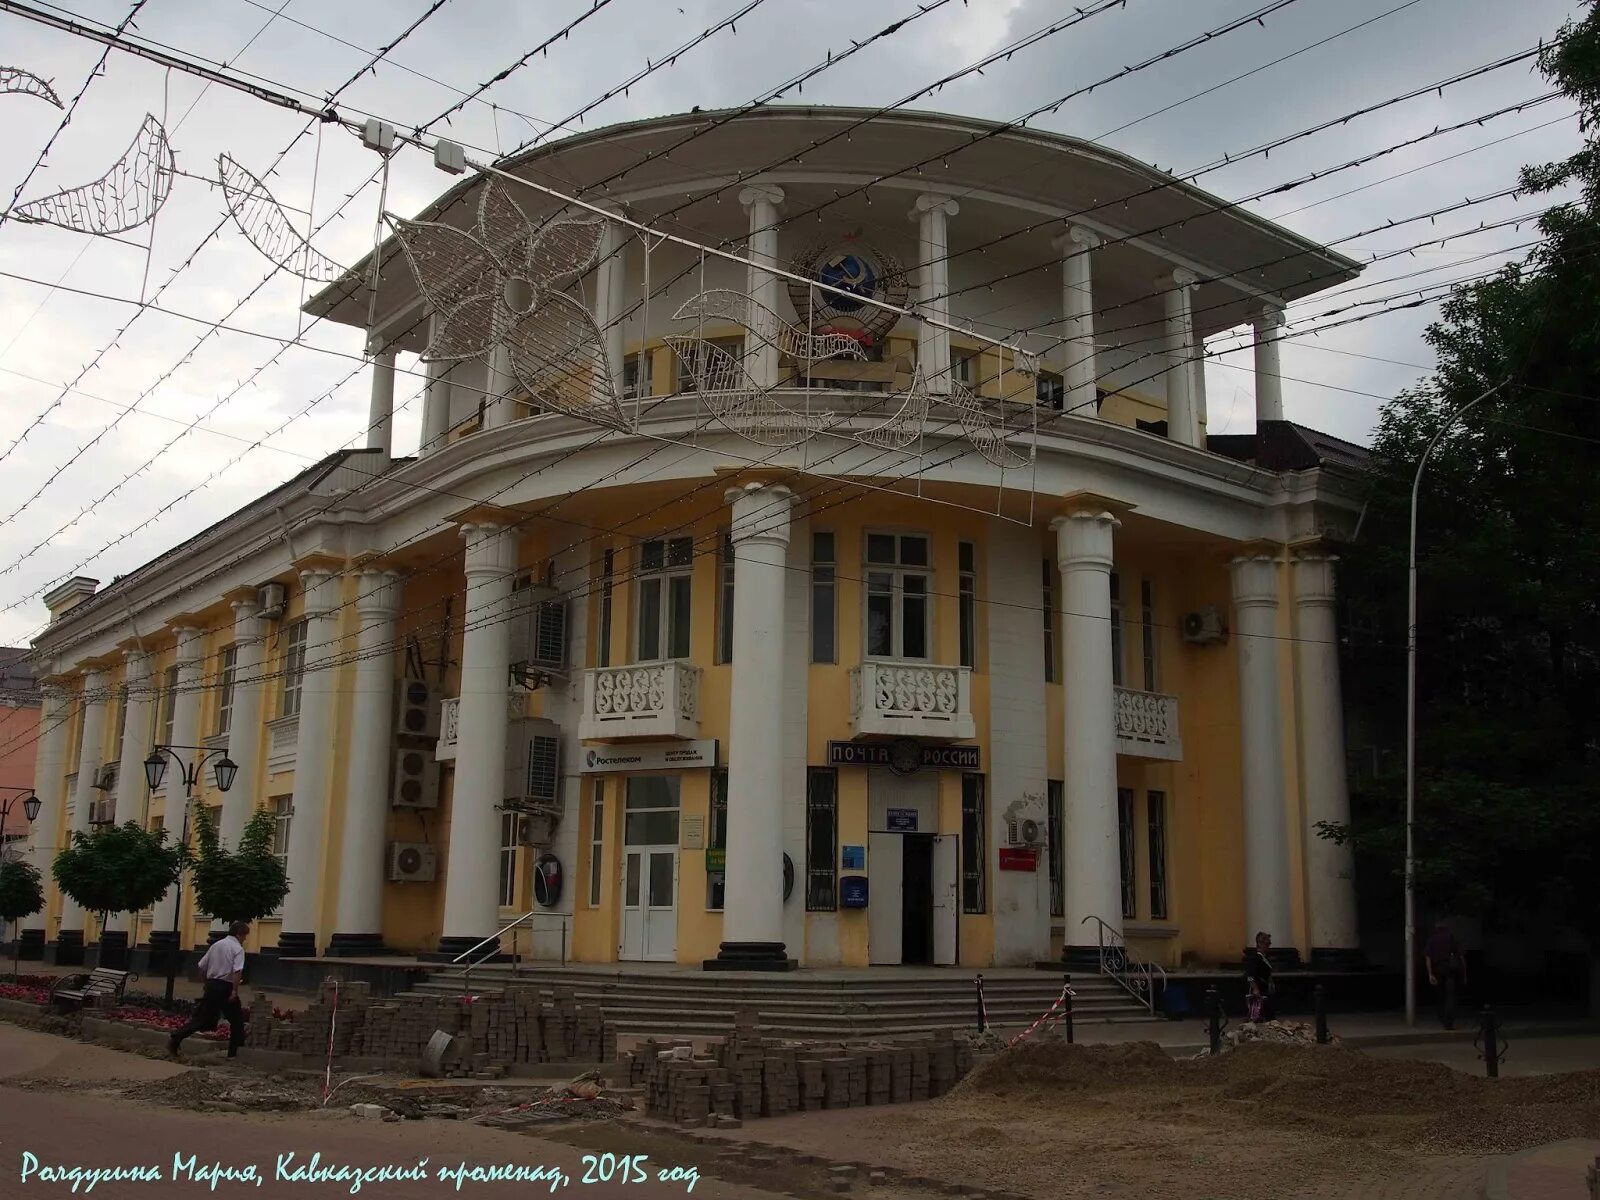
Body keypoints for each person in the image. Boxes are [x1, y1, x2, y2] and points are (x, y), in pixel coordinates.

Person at [169, 920, 249, 1059]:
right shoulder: (238, 949)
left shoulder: (216, 945)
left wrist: (206, 983)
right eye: (244, 936)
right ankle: (233, 1054)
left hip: (212, 985)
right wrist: (234, 991)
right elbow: (237, 972)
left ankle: (177, 1037)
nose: (245, 939)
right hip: (226, 987)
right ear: (239, 934)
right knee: (237, 1021)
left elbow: (201, 966)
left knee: (202, 1018)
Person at [1424, 919, 1466, 1030]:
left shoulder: (1432, 940)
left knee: (1440, 995)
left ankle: (1443, 1018)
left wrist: (1430, 974)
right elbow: (1461, 957)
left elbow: (1428, 958)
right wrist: (1464, 973)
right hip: (1451, 970)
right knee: (1450, 995)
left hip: (1438, 969)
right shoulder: (1452, 938)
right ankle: (1449, 1021)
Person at [1244, 931, 1275, 1022]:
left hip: (1265, 989)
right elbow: (1250, 974)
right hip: (1259, 989)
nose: (1268, 946)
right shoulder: (1255, 958)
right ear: (1260, 944)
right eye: (1267, 944)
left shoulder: (1264, 958)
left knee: (1267, 1013)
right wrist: (1255, 988)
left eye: (1269, 944)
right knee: (1257, 1013)